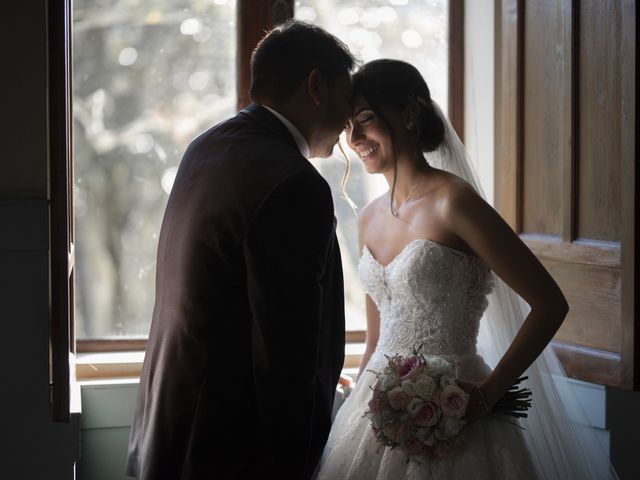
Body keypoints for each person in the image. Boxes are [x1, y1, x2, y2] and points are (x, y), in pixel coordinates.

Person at [317, 59, 617, 479]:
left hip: (456, 408)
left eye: (365, 120)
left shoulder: (454, 202)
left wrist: (489, 393)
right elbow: (376, 336)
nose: (355, 138)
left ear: (408, 113)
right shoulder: (367, 217)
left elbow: (550, 304)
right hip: (375, 414)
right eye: (348, 127)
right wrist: (356, 405)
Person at [126, 20, 356, 480]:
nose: (350, 120)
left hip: (168, 426)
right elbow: (286, 352)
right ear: (316, 86)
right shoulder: (294, 184)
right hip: (231, 448)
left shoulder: (207, 147)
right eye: (346, 96)